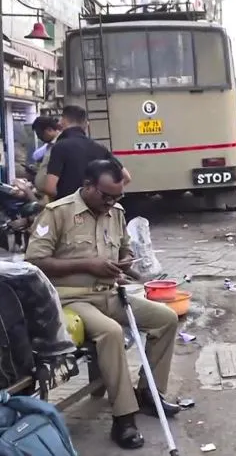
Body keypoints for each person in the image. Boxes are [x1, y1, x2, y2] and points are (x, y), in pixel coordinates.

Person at [24, 159, 181, 450]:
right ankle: (124, 417)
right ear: (87, 187)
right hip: (72, 297)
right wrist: (88, 264)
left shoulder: (116, 212)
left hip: (109, 292)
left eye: (117, 196)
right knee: (110, 332)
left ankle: (149, 393)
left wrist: (127, 263)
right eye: (106, 196)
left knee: (166, 318)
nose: (111, 202)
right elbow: (34, 263)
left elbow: (123, 247)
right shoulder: (58, 213)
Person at [43, 105, 131, 201]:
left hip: (70, 211)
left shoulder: (59, 147)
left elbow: (49, 188)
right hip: (95, 209)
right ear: (85, 125)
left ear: (62, 122)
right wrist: (104, 197)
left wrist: (63, 202)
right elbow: (126, 177)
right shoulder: (99, 148)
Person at [30, 116, 61, 198]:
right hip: (44, 195)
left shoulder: (60, 145)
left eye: (39, 134)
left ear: (49, 130)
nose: (39, 137)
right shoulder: (49, 145)